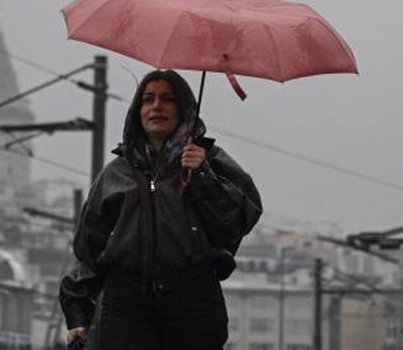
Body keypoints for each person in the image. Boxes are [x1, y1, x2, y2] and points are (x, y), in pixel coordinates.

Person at [60, 70, 262, 350]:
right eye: (148, 99)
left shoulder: (210, 162)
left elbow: (239, 219)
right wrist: (77, 313)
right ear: (137, 111)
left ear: (184, 110)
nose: (157, 106)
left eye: (167, 99)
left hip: (193, 303)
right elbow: (89, 251)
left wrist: (202, 174)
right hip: (127, 305)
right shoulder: (116, 174)